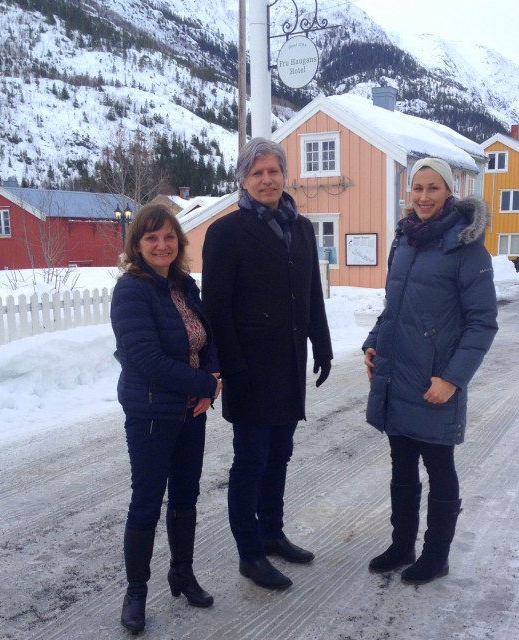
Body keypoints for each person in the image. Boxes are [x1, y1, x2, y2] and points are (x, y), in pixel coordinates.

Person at [201, 137, 333, 590]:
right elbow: (215, 308)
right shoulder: (226, 233)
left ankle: (272, 533)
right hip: (249, 371)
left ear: (284, 176)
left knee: (280, 454)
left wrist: (323, 343)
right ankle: (249, 553)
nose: (266, 179)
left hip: (289, 365)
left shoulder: (301, 228)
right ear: (242, 179)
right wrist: (230, 368)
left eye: (273, 171)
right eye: (256, 173)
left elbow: (311, 291)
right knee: (251, 460)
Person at [363, 157, 498, 585]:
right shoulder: (403, 241)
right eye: (417, 188)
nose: (423, 197)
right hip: (396, 374)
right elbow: (394, 307)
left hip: (434, 381)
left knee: (439, 467)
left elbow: (482, 322)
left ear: (448, 191)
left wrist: (453, 379)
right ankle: (402, 545)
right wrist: (372, 341)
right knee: (401, 466)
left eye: (432, 188)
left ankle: (435, 554)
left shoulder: (467, 247)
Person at [111, 203, 222, 633]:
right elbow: (144, 358)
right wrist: (204, 386)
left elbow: (206, 338)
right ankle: (136, 590)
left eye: (169, 236)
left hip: (191, 413)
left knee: (186, 497)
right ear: (137, 245)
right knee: (146, 502)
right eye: (152, 238)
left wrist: (211, 375)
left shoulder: (184, 285)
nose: (162, 245)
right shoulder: (131, 291)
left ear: (179, 241)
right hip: (152, 412)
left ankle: (183, 572)